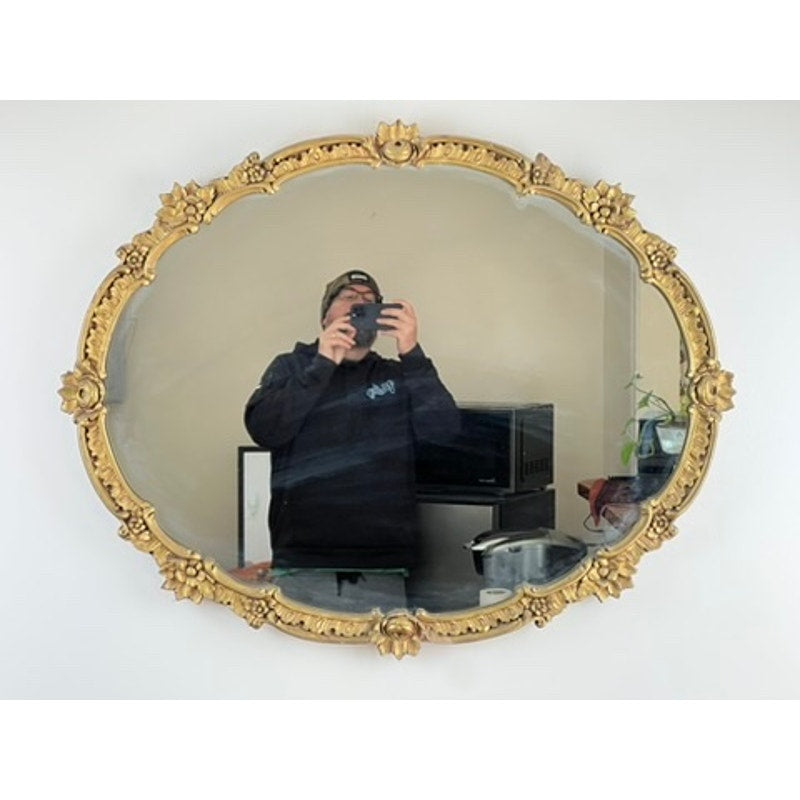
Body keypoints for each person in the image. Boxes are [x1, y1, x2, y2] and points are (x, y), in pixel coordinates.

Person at [244, 269, 459, 611]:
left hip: (383, 565)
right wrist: (322, 364)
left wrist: (412, 351)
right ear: (325, 314)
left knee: (378, 664)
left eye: (370, 302)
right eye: (349, 298)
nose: (360, 304)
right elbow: (266, 430)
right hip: (304, 563)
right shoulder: (290, 368)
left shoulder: (396, 374)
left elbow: (444, 432)